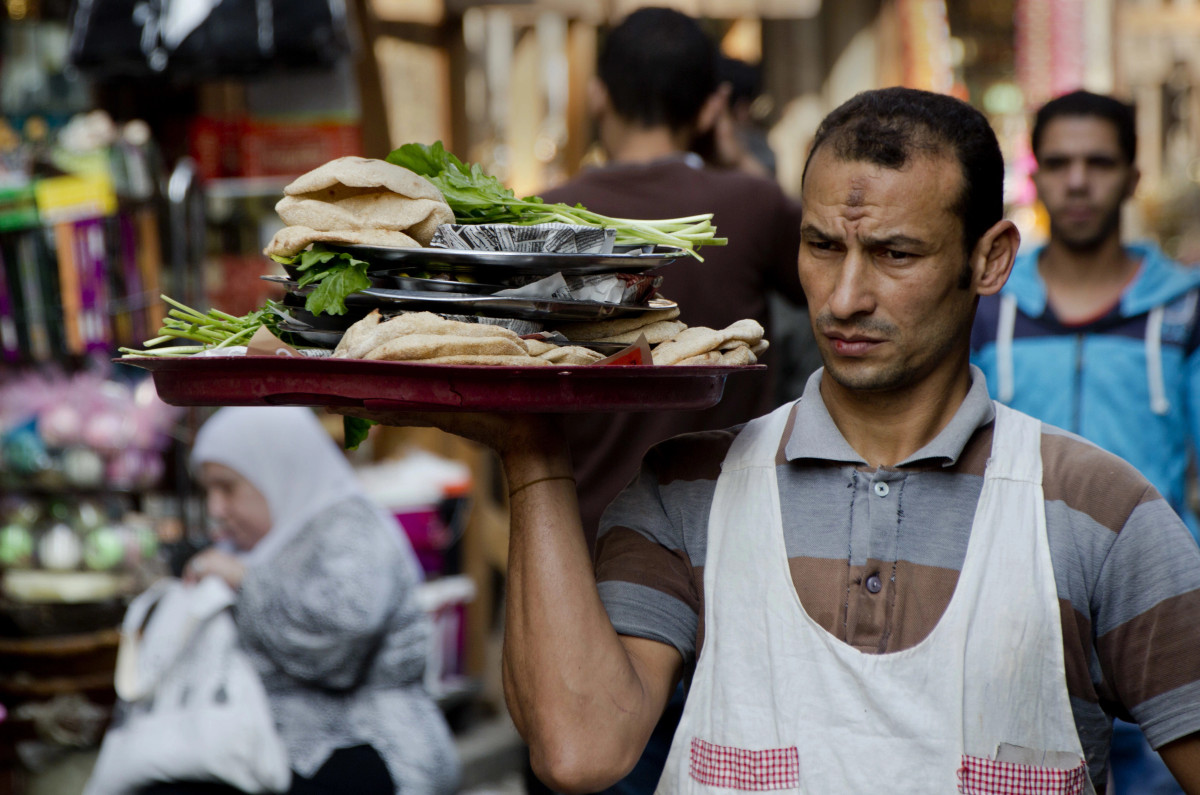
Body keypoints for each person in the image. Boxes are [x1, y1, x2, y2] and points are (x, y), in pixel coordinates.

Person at [341, 87, 1200, 792]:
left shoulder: (1100, 513)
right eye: (822, 246)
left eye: (896, 254)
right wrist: (531, 456)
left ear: (991, 259)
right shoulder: (688, 490)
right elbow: (581, 749)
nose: (843, 297)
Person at [970, 89, 1200, 794]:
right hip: (1012, 630)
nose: (1077, 181)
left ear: (1134, 176)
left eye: (1098, 162)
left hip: (1159, 622)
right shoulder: (984, 307)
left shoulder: (1185, 308)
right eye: (1060, 163)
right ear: (1034, 178)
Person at [538, 6, 807, 552]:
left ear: (597, 95)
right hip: (728, 547)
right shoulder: (751, 204)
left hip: (583, 544)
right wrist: (747, 169)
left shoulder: (541, 219)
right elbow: (823, 278)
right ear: (711, 108)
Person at [143, 406, 460, 795]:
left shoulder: (351, 529)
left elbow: (338, 642)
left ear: (279, 470)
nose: (216, 510)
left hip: (369, 744)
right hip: (270, 744)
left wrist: (245, 581)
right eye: (208, 490)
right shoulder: (261, 541)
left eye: (227, 487)